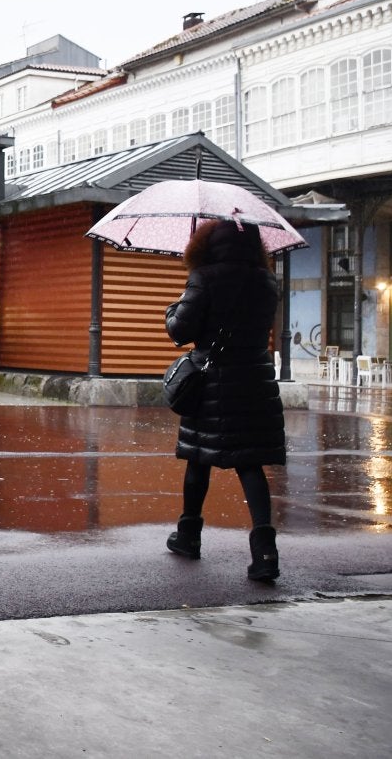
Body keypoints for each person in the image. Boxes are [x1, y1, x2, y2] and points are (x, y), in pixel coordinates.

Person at [164, 219, 286, 582]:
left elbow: (181, 330)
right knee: (250, 464)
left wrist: (174, 308)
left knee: (197, 458)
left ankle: (189, 535)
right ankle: (265, 552)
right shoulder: (266, 282)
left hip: (213, 382)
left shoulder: (204, 277)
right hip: (254, 380)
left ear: (206, 244)